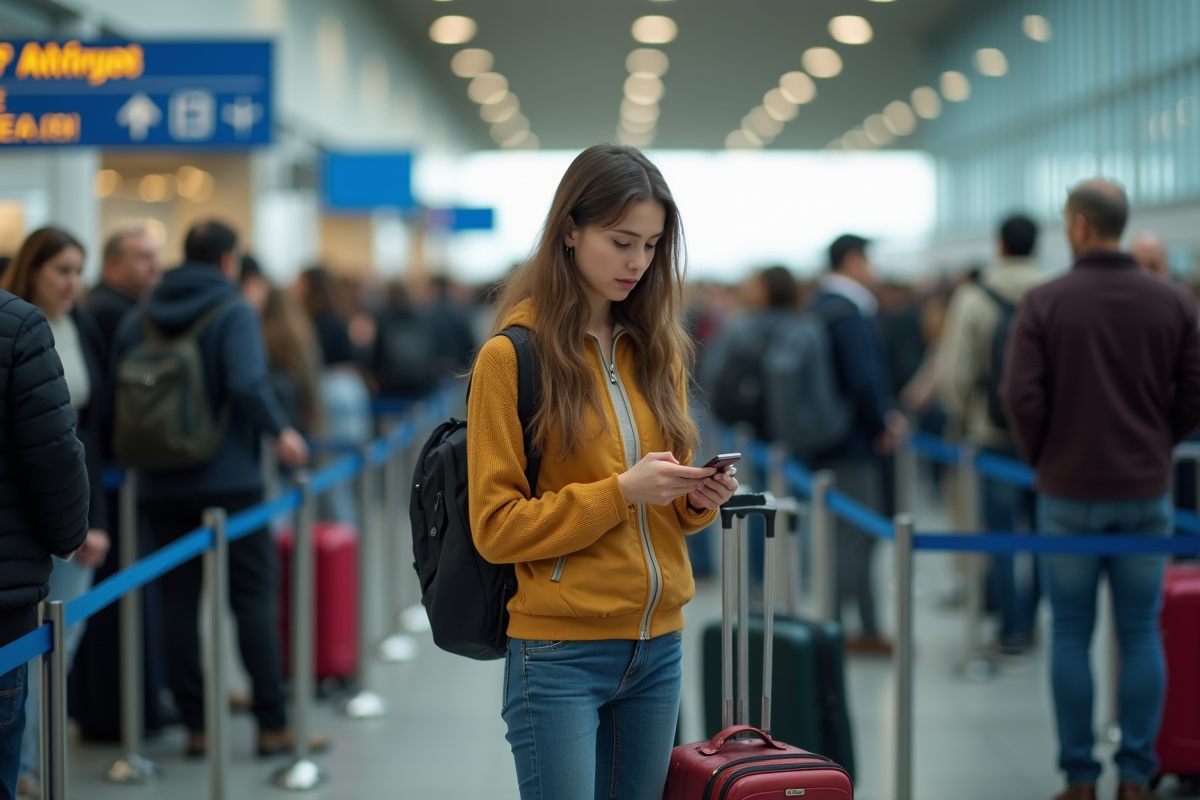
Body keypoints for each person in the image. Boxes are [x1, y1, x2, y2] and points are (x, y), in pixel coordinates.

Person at [468, 144, 738, 800]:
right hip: (559, 653)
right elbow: (496, 528)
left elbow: (667, 506)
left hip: (658, 646)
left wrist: (697, 498)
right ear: (570, 230)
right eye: (621, 242)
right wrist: (620, 493)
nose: (638, 262)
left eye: (651, 245)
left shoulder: (657, 347)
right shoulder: (512, 357)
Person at [1003, 180, 1200, 800]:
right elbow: (1195, 389)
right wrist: (1160, 442)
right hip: (1146, 490)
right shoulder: (1173, 301)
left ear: (1081, 226)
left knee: (1070, 632)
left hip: (1067, 493)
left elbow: (1019, 395)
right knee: (1140, 630)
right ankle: (1136, 776)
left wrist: (1047, 456)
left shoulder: (1045, 301)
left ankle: (1080, 778)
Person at [111, 220, 321, 759]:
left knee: (178, 604)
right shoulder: (233, 311)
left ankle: (197, 726)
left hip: (157, 480)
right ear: (229, 259)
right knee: (251, 597)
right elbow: (247, 383)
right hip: (230, 481)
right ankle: (272, 724)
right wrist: (281, 433)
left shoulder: (140, 315)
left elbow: (117, 396)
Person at [0, 228, 112, 797]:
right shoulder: (22, 324)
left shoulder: (78, 327)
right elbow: (52, 450)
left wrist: (89, 521)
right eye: (62, 270)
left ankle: (36, 759)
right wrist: (70, 526)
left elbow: (88, 435)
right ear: (33, 268)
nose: (73, 283)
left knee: (58, 649)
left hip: (58, 521)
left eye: (78, 271)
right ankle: (27, 766)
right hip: (29, 530)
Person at [938, 214, 1047, 654]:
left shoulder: (974, 296)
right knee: (1044, 532)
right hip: (1049, 439)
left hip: (993, 434)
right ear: (1037, 246)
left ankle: (1010, 627)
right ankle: (1033, 619)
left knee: (1000, 535)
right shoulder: (1056, 291)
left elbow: (957, 373)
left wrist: (966, 418)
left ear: (999, 246)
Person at [809, 234, 905, 654]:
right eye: (868, 260)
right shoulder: (848, 312)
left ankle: (858, 627)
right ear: (851, 261)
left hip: (828, 437)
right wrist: (882, 423)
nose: (873, 269)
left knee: (846, 538)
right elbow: (864, 379)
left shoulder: (819, 305)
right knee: (855, 539)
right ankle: (839, 633)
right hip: (852, 443)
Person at [292, 266, 371, 523]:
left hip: (329, 392)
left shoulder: (315, 322)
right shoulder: (339, 316)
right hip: (352, 389)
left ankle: (343, 537)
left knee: (332, 479)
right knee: (346, 479)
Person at [84, 226, 161, 351]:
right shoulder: (107, 311)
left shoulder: (132, 301)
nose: (155, 266)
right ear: (113, 264)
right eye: (144, 257)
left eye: (154, 256)